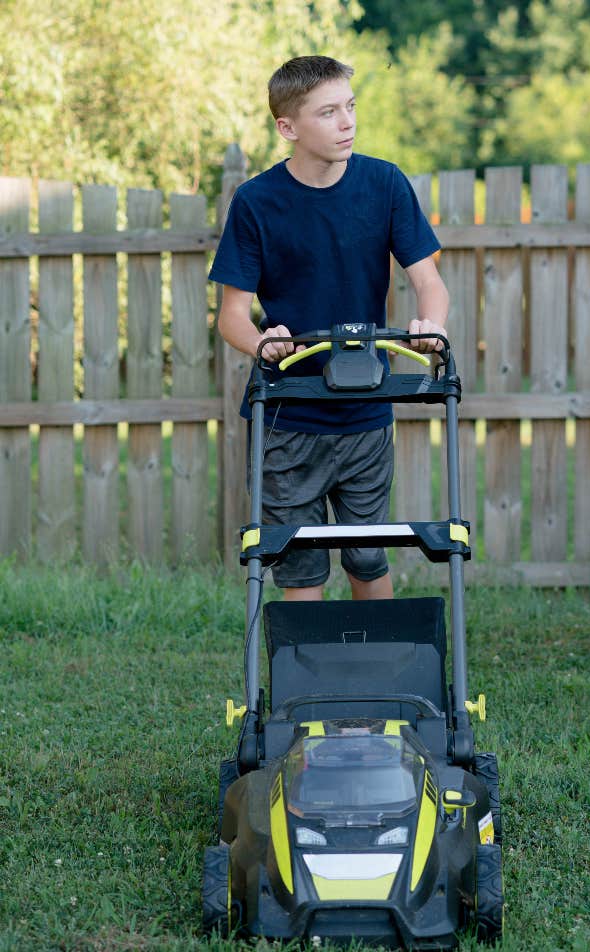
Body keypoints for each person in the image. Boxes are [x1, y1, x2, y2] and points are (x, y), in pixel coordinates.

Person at [209, 55, 449, 603]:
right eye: (328, 112)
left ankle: (384, 681)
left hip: (366, 411)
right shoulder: (255, 202)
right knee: (301, 571)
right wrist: (262, 342)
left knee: (368, 557)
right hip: (289, 417)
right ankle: (310, 687)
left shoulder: (384, 183)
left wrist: (429, 326)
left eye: (350, 107)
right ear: (288, 127)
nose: (347, 123)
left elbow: (431, 285)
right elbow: (231, 317)